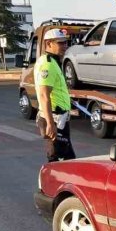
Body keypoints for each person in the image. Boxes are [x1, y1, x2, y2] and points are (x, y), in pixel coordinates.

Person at [35, 28, 76, 162]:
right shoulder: (48, 65)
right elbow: (43, 95)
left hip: (58, 118)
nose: (65, 46)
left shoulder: (52, 61)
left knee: (63, 158)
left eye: (65, 42)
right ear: (49, 43)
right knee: (62, 160)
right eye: (60, 43)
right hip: (55, 119)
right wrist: (50, 123)